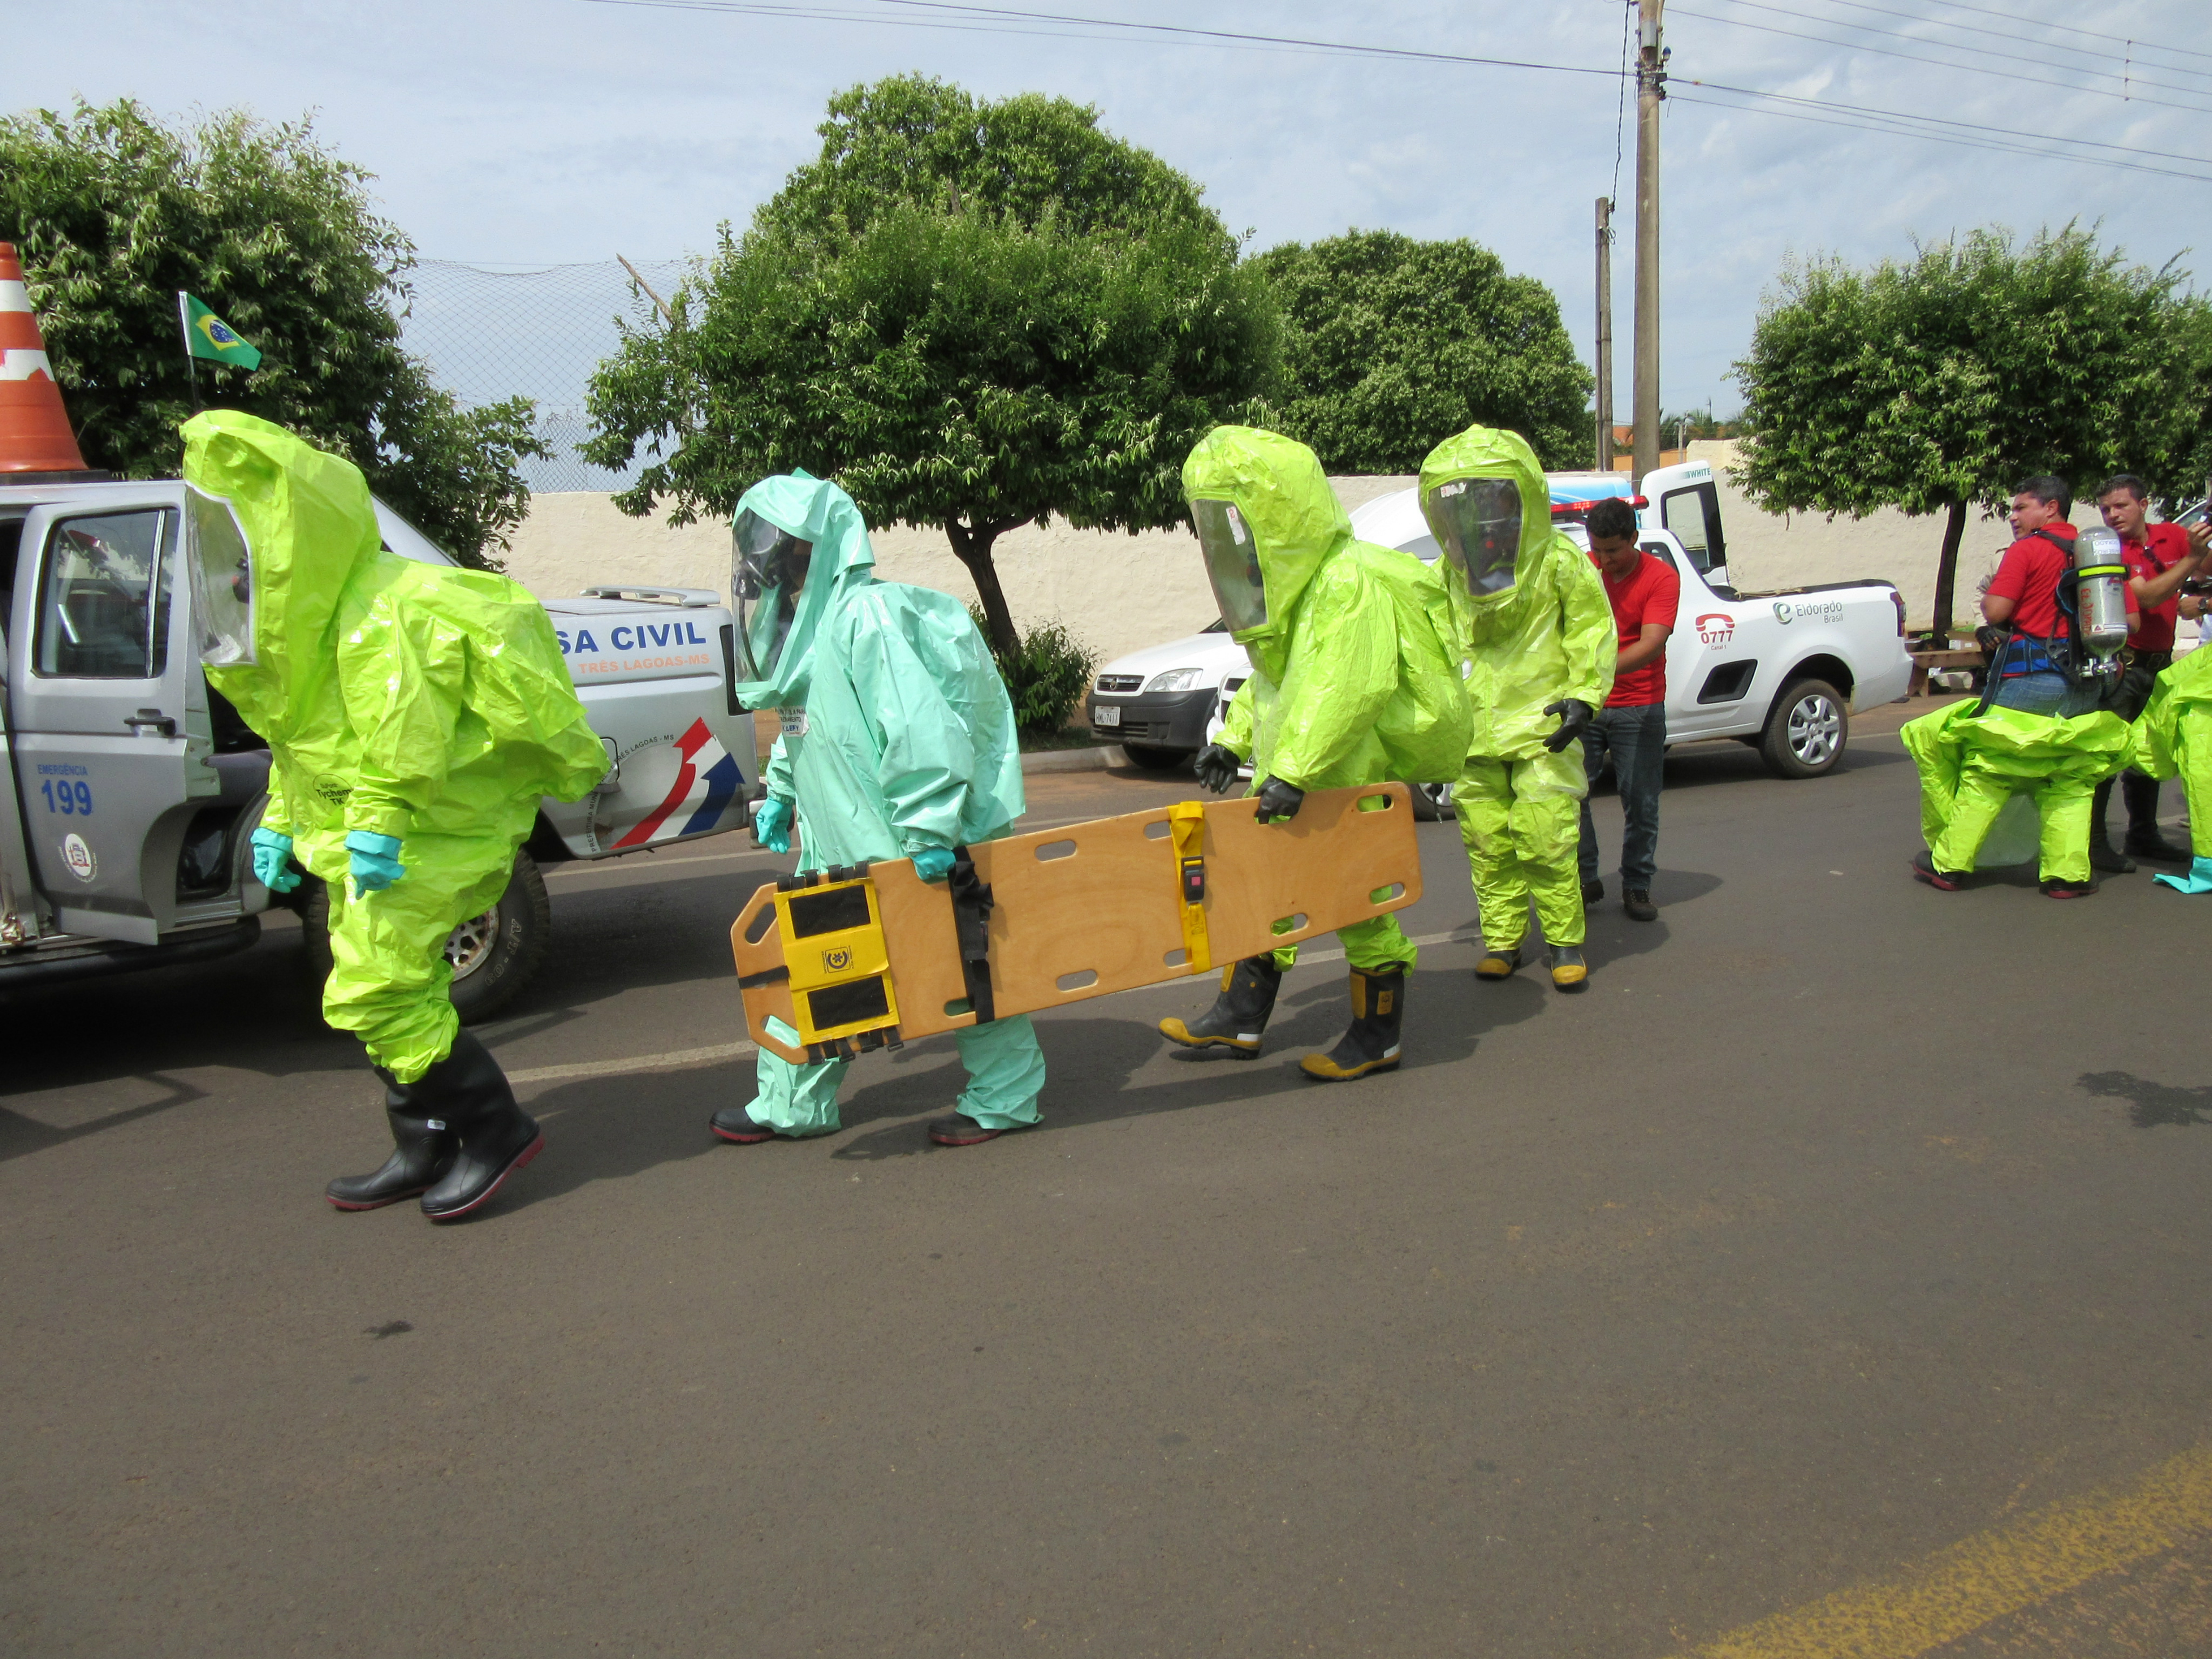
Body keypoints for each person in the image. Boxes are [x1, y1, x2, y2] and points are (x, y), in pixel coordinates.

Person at [183, 410, 608, 1220]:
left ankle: (496, 1129)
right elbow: (309, 745)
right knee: (377, 980)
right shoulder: (302, 637)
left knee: (377, 989)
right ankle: (423, 1141)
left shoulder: (377, 615)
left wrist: (380, 818)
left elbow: (399, 734)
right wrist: (280, 819)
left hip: (425, 828)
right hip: (362, 831)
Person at [707, 471, 1046, 1148]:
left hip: (906, 844)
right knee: (823, 970)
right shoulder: (806, 629)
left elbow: (918, 730)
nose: (773, 567)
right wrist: (781, 790)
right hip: (841, 844)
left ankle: (1005, 1100)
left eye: (787, 550)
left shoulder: (866, 617)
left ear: (819, 548)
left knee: (963, 967)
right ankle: (793, 1106)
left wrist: (928, 829)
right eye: (767, 552)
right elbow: (805, 725)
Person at [1165, 427, 1468, 1080]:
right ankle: (1239, 1018)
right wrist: (1232, 741)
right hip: (1296, 775)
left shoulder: (1344, 582)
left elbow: (1348, 687)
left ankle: (1376, 1039)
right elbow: (1276, 685)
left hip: (1338, 776)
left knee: (1353, 904)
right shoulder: (1296, 593)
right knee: (1266, 893)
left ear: (1276, 514)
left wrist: (1295, 771)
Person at [1418, 424, 1615, 990]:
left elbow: (1591, 630)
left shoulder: (1557, 561)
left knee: (1546, 837)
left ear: (1520, 497)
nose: (1484, 517)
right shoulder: (1448, 579)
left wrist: (1583, 697)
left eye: (1494, 499)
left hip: (1543, 725)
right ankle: (1502, 941)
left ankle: (1564, 944)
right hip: (1476, 734)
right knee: (1488, 844)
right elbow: (1430, 654)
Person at [1905, 476, 2135, 899]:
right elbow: (2131, 621)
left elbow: (1997, 609)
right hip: (2086, 682)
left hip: (2030, 680)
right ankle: (2067, 876)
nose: (2012, 516)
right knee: (2069, 778)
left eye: (2020, 507)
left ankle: (1950, 864)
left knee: (1991, 771)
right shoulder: (2097, 557)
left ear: (2051, 509)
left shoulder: (2028, 549)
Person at [2087, 473, 2202, 869]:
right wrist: (2193, 559)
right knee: (2107, 751)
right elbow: (2148, 597)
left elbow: (2203, 575)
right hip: (2125, 665)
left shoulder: (2174, 534)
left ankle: (2143, 834)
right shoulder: (2109, 550)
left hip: (2160, 664)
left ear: (2143, 504)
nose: (2113, 515)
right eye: (2106, 509)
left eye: (2120, 506)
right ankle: (2095, 843)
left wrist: (2201, 586)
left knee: (2148, 753)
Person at [1576, 496, 1677, 922]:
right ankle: (1585, 878)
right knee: (1570, 794)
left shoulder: (1661, 577)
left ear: (1634, 539)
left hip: (1639, 705)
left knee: (1641, 802)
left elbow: (1652, 643)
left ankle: (1637, 886)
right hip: (1588, 705)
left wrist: (1597, 672)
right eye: (1597, 549)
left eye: (1613, 550)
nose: (1604, 560)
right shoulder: (1584, 569)